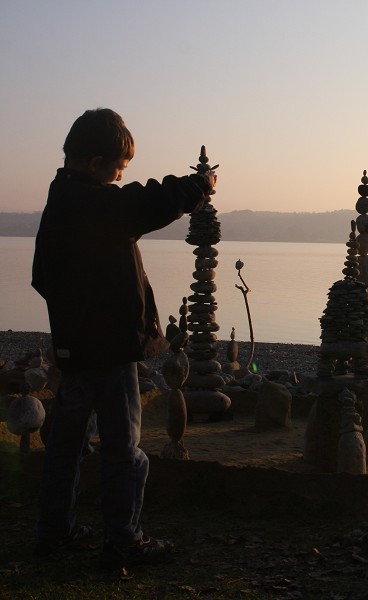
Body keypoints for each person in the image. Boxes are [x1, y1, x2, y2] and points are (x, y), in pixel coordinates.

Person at [31, 108, 216, 568]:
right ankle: (124, 539)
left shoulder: (60, 203)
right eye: (117, 170)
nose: (118, 179)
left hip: (75, 350)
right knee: (123, 449)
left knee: (65, 447)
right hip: (109, 352)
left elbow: (41, 278)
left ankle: (55, 532)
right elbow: (140, 204)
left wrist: (72, 319)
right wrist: (197, 188)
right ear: (95, 163)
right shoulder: (91, 203)